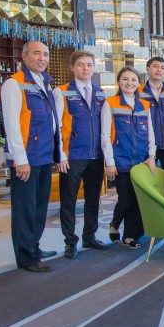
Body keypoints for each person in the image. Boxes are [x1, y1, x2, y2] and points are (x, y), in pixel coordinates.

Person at [1, 41, 61, 272]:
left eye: (45, 54)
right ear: (25, 57)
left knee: (39, 207)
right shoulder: (14, 83)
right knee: (25, 209)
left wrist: (55, 154)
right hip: (27, 158)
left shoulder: (45, 83)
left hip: (44, 156)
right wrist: (20, 159)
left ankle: (33, 247)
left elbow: (52, 123)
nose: (42, 58)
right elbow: (12, 126)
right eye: (37, 53)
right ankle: (26, 257)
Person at [53, 50, 108, 259]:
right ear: (72, 67)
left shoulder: (101, 93)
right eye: (81, 65)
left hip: (96, 155)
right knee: (68, 201)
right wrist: (60, 155)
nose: (85, 68)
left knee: (93, 199)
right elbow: (56, 126)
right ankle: (70, 241)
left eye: (89, 65)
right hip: (72, 156)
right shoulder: (62, 92)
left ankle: (89, 236)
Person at [103, 66, 157, 250]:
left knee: (136, 200)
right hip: (121, 162)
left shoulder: (145, 106)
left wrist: (152, 156)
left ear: (138, 83)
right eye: (125, 79)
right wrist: (110, 162)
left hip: (142, 162)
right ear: (119, 82)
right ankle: (115, 223)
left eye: (133, 80)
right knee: (125, 199)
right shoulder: (110, 103)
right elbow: (105, 136)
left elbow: (151, 134)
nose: (129, 83)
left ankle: (128, 236)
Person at [138, 57, 164, 177]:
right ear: (148, 69)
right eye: (155, 66)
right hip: (146, 146)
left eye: (162, 67)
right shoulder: (139, 92)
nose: (159, 70)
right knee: (148, 178)